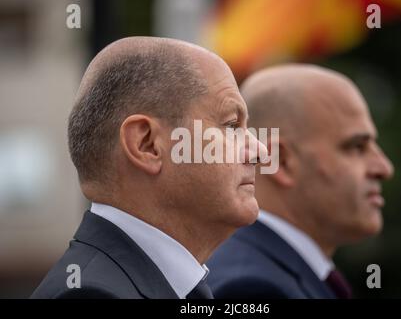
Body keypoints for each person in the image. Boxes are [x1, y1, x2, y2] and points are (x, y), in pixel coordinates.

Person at [31, 36, 266, 299]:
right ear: (147, 144)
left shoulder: (144, 283)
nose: (260, 152)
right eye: (231, 125)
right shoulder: (92, 295)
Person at [207, 64, 394, 298]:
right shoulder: (252, 288)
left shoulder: (274, 270)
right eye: (356, 147)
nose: (384, 168)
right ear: (280, 161)